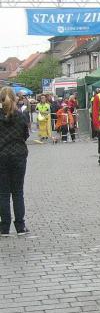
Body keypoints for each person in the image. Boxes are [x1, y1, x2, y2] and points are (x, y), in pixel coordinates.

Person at [0, 86, 30, 235]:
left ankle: (4, 227)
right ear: (15, 98)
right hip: (18, 155)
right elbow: (26, 135)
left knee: (3, 193)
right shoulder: (21, 116)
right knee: (18, 192)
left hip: (1, 156)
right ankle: (20, 226)